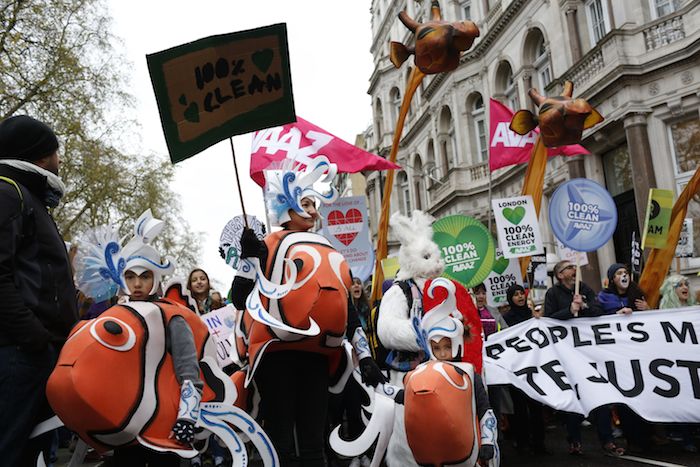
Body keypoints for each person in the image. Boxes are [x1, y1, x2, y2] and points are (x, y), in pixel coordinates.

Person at [231, 158, 385, 466]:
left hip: (317, 358)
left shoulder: (327, 247)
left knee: (315, 440)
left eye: (314, 204)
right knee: (281, 442)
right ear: (285, 205)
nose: (315, 211)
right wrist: (249, 262)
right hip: (275, 356)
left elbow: (347, 309)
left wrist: (364, 357)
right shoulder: (267, 244)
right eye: (306, 203)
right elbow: (239, 298)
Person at [0, 115, 79, 466]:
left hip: (33, 350)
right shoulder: (7, 192)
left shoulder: (28, 198)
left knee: (27, 453)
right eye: (56, 151)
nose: (60, 160)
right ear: (41, 154)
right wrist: (34, 337)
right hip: (20, 352)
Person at [544, 260, 624, 456]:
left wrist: (584, 305)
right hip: (567, 353)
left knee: (600, 395)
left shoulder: (585, 288)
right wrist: (570, 311)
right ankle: (575, 441)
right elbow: (549, 319)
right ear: (560, 275)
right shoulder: (552, 294)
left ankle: (607, 440)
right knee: (573, 397)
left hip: (589, 352)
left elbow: (598, 312)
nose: (574, 270)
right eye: (569, 268)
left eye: (574, 266)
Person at [501, 284, 548, 456]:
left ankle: (539, 443)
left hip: (535, 367)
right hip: (516, 368)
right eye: (516, 295)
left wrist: (538, 319)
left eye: (522, 293)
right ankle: (522, 442)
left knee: (536, 406)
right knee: (519, 408)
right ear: (510, 298)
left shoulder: (532, 315)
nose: (520, 297)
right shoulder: (507, 317)